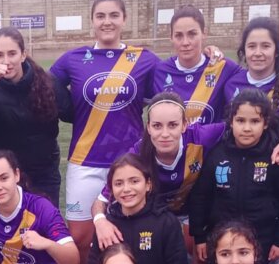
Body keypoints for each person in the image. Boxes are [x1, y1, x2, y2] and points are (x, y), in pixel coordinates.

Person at [50, 0, 161, 264]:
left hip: (130, 163)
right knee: (80, 236)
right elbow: (42, 85)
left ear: (124, 19)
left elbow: (179, 76)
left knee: (134, 232)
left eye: (113, 15)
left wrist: (210, 54)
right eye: (100, 16)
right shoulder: (72, 59)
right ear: (92, 21)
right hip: (85, 160)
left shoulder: (144, 59)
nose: (107, 21)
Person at [89, 93, 224, 253]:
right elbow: (100, 201)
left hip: (191, 211)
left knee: (196, 251)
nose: (165, 134)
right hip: (153, 214)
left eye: (173, 125)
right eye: (157, 126)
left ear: (184, 125)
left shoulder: (200, 137)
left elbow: (239, 126)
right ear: (148, 127)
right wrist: (100, 222)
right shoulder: (137, 155)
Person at [189, 89, 279, 264]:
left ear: (266, 124)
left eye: (255, 121)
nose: (247, 128)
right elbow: (201, 196)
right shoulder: (217, 154)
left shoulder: (277, 156)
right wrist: (200, 237)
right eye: (241, 121)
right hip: (220, 237)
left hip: (262, 238)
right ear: (231, 121)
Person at [0, 27, 62, 203]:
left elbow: (71, 113)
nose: (6, 61)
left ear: (23, 55)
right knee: (8, 229)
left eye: (12, 53)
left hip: (43, 175)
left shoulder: (47, 82)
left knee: (44, 228)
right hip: (3, 177)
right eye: (0, 55)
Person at [87, 154, 187, 264]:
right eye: (119, 183)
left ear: (148, 184)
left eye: (134, 181)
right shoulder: (106, 225)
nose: (127, 189)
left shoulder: (166, 222)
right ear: (111, 189)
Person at [152, 6, 242, 125]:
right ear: (171, 37)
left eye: (192, 34)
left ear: (204, 34)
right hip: (171, 143)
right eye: (179, 35)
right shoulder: (159, 71)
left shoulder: (223, 67)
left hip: (214, 144)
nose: (185, 42)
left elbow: (255, 79)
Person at [223, 18, 279, 113]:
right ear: (244, 50)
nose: (258, 53)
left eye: (265, 46)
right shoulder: (231, 84)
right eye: (251, 46)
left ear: (276, 50)